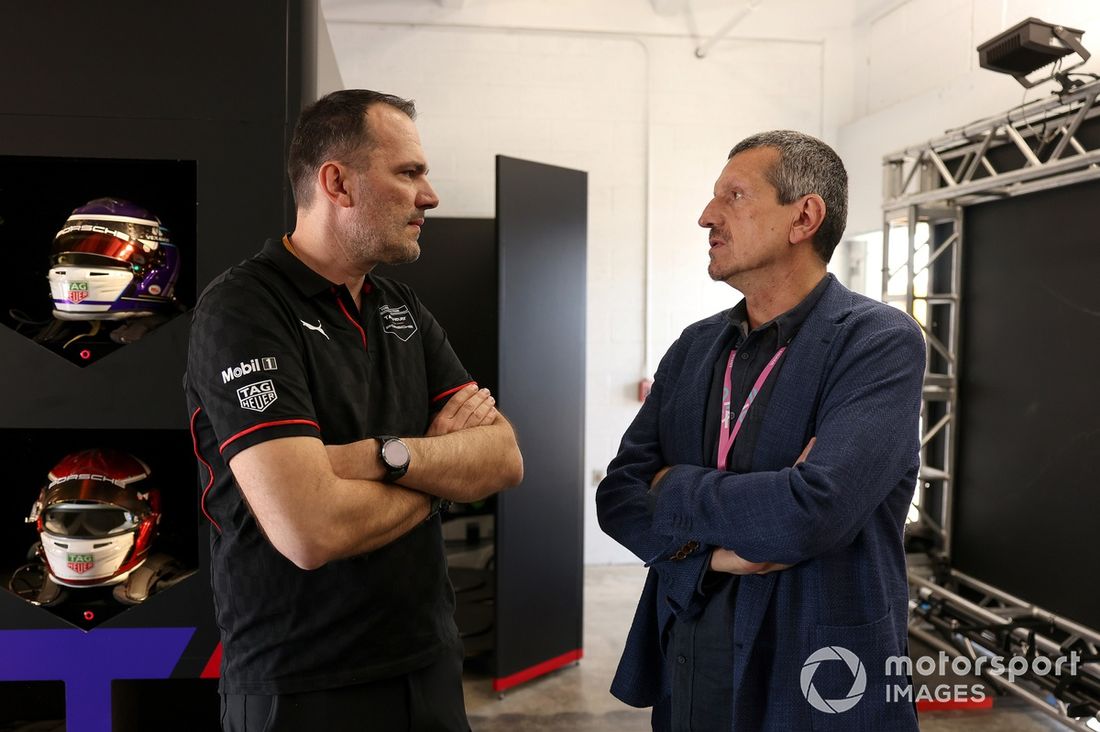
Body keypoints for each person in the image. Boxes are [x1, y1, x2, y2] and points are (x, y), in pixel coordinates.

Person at [184, 89, 523, 732]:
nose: (431, 196)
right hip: (302, 684)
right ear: (337, 182)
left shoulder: (400, 308)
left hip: (427, 664)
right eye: (409, 172)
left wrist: (380, 457)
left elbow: (502, 457)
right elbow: (311, 531)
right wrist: (438, 469)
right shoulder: (245, 311)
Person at [596, 130, 924, 731]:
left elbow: (809, 512)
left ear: (804, 216)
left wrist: (672, 485)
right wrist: (715, 557)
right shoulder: (694, 348)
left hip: (815, 668)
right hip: (690, 652)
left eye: (734, 196)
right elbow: (617, 497)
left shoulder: (877, 343)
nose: (706, 217)